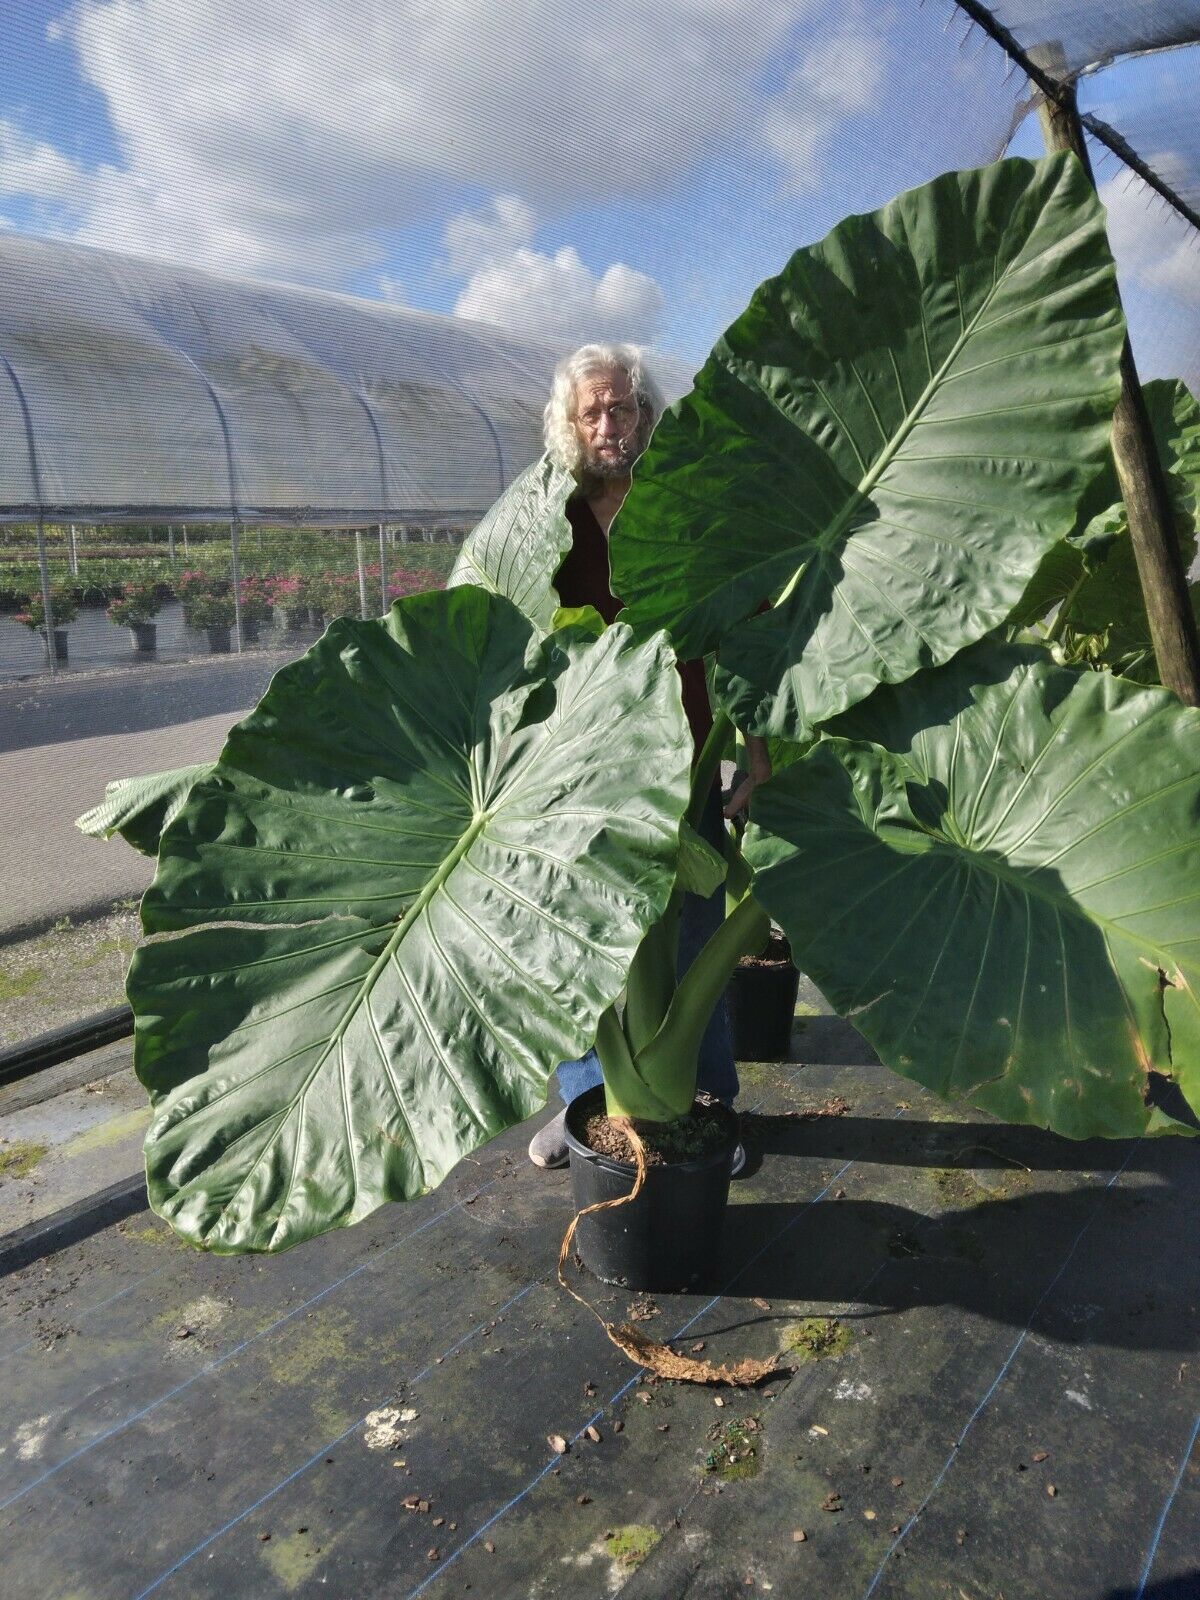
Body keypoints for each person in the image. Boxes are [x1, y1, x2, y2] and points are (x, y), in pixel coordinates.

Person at [527, 342, 771, 1170]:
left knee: (698, 933)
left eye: (621, 408)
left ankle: (710, 1108)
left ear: (645, 414)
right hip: (581, 764)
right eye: (590, 412)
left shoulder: (684, 505)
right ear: (568, 425)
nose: (608, 426)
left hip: (686, 754)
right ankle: (583, 1105)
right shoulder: (545, 522)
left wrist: (757, 753)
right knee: (574, 934)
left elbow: (741, 628)